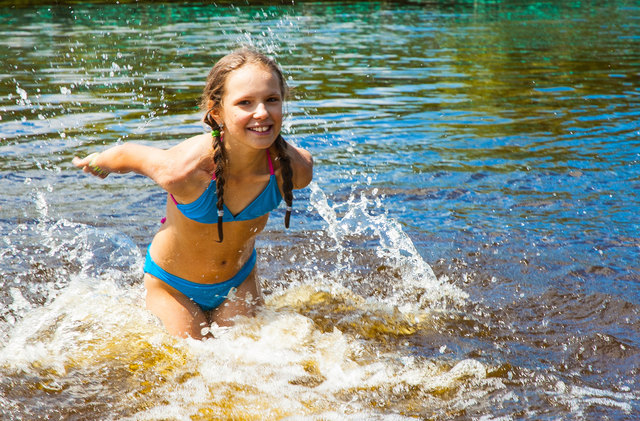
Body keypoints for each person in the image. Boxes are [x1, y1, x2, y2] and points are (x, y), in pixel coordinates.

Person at [73, 47, 313, 339]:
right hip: (173, 287)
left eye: (271, 100)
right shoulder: (186, 171)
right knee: (190, 367)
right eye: (245, 103)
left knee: (245, 369)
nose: (261, 113)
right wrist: (99, 161)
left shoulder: (294, 170)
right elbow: (129, 154)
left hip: (239, 282)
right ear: (217, 111)